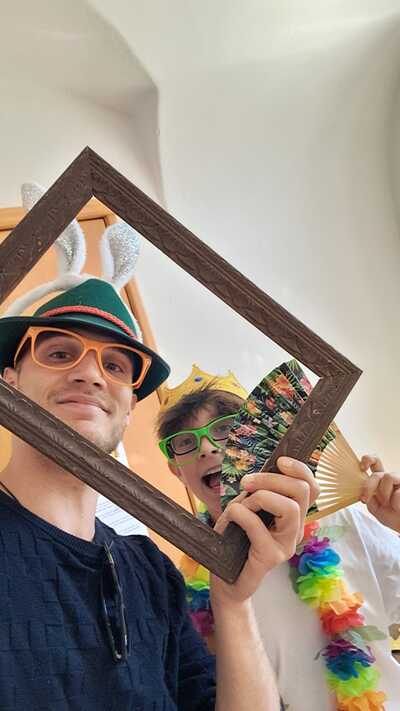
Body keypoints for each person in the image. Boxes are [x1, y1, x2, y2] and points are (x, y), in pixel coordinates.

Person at [0, 279, 319, 711]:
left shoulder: (151, 571)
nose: (90, 374)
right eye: (59, 353)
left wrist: (233, 600)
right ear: (10, 382)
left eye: (115, 366)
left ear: (130, 407)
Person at [157, 365, 400, 711]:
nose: (207, 448)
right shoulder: (190, 591)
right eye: (185, 442)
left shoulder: (344, 522)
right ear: (175, 470)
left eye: (225, 429)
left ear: (256, 436)